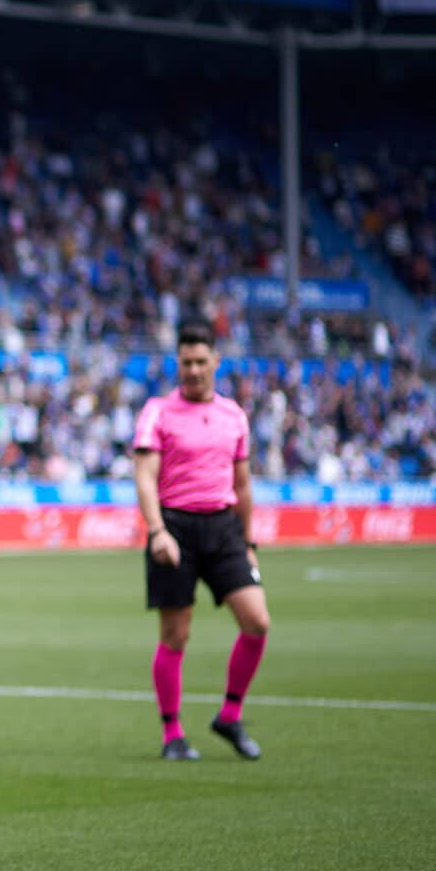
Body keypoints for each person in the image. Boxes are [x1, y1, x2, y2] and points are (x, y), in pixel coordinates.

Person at [134, 320, 268, 762]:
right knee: (176, 635)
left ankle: (230, 715)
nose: (192, 370)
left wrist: (249, 541)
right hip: (175, 528)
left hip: (224, 526)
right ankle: (172, 734)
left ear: (216, 361)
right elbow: (146, 477)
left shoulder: (234, 415)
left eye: (200, 361)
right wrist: (157, 532)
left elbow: (243, 485)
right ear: (178, 363)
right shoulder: (158, 411)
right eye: (185, 362)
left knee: (257, 622)